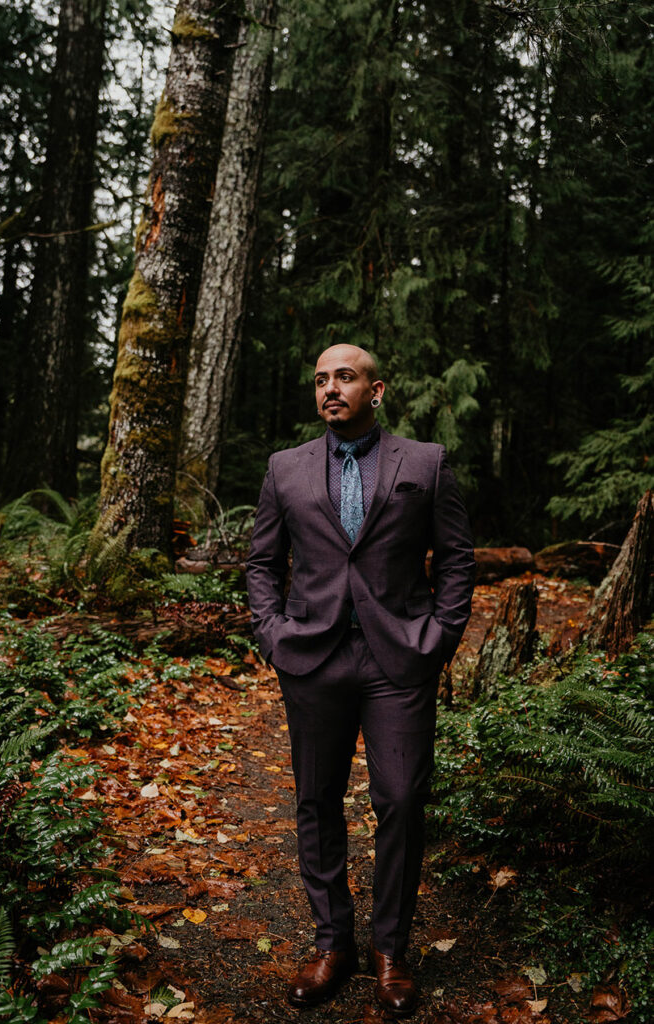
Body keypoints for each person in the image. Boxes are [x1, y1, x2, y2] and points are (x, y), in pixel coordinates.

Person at [246, 344, 475, 1017]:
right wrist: (272, 633)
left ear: (376, 390)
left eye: (343, 376)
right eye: (319, 379)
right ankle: (331, 944)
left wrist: (437, 638)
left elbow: (456, 559)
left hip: (397, 659)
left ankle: (389, 950)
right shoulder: (283, 468)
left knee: (401, 799)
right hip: (311, 659)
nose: (329, 388)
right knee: (316, 802)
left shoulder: (424, 463)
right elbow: (262, 562)